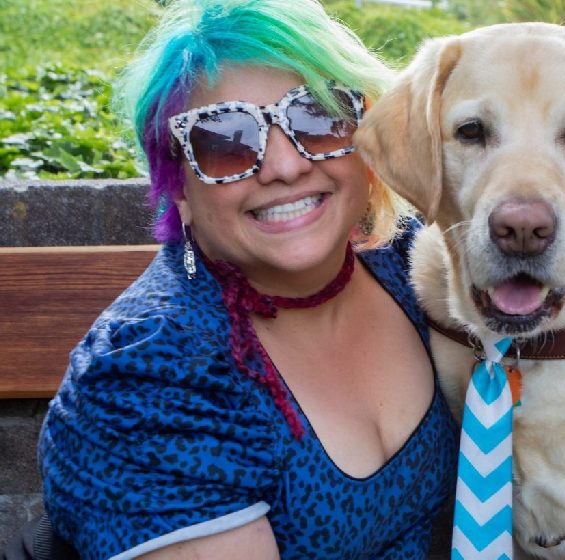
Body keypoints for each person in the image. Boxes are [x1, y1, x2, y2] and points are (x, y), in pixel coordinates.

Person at [35, 0, 459, 558]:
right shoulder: (152, 375)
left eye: (318, 118)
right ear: (178, 186)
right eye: (226, 141)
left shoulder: (405, 264)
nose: (285, 166)